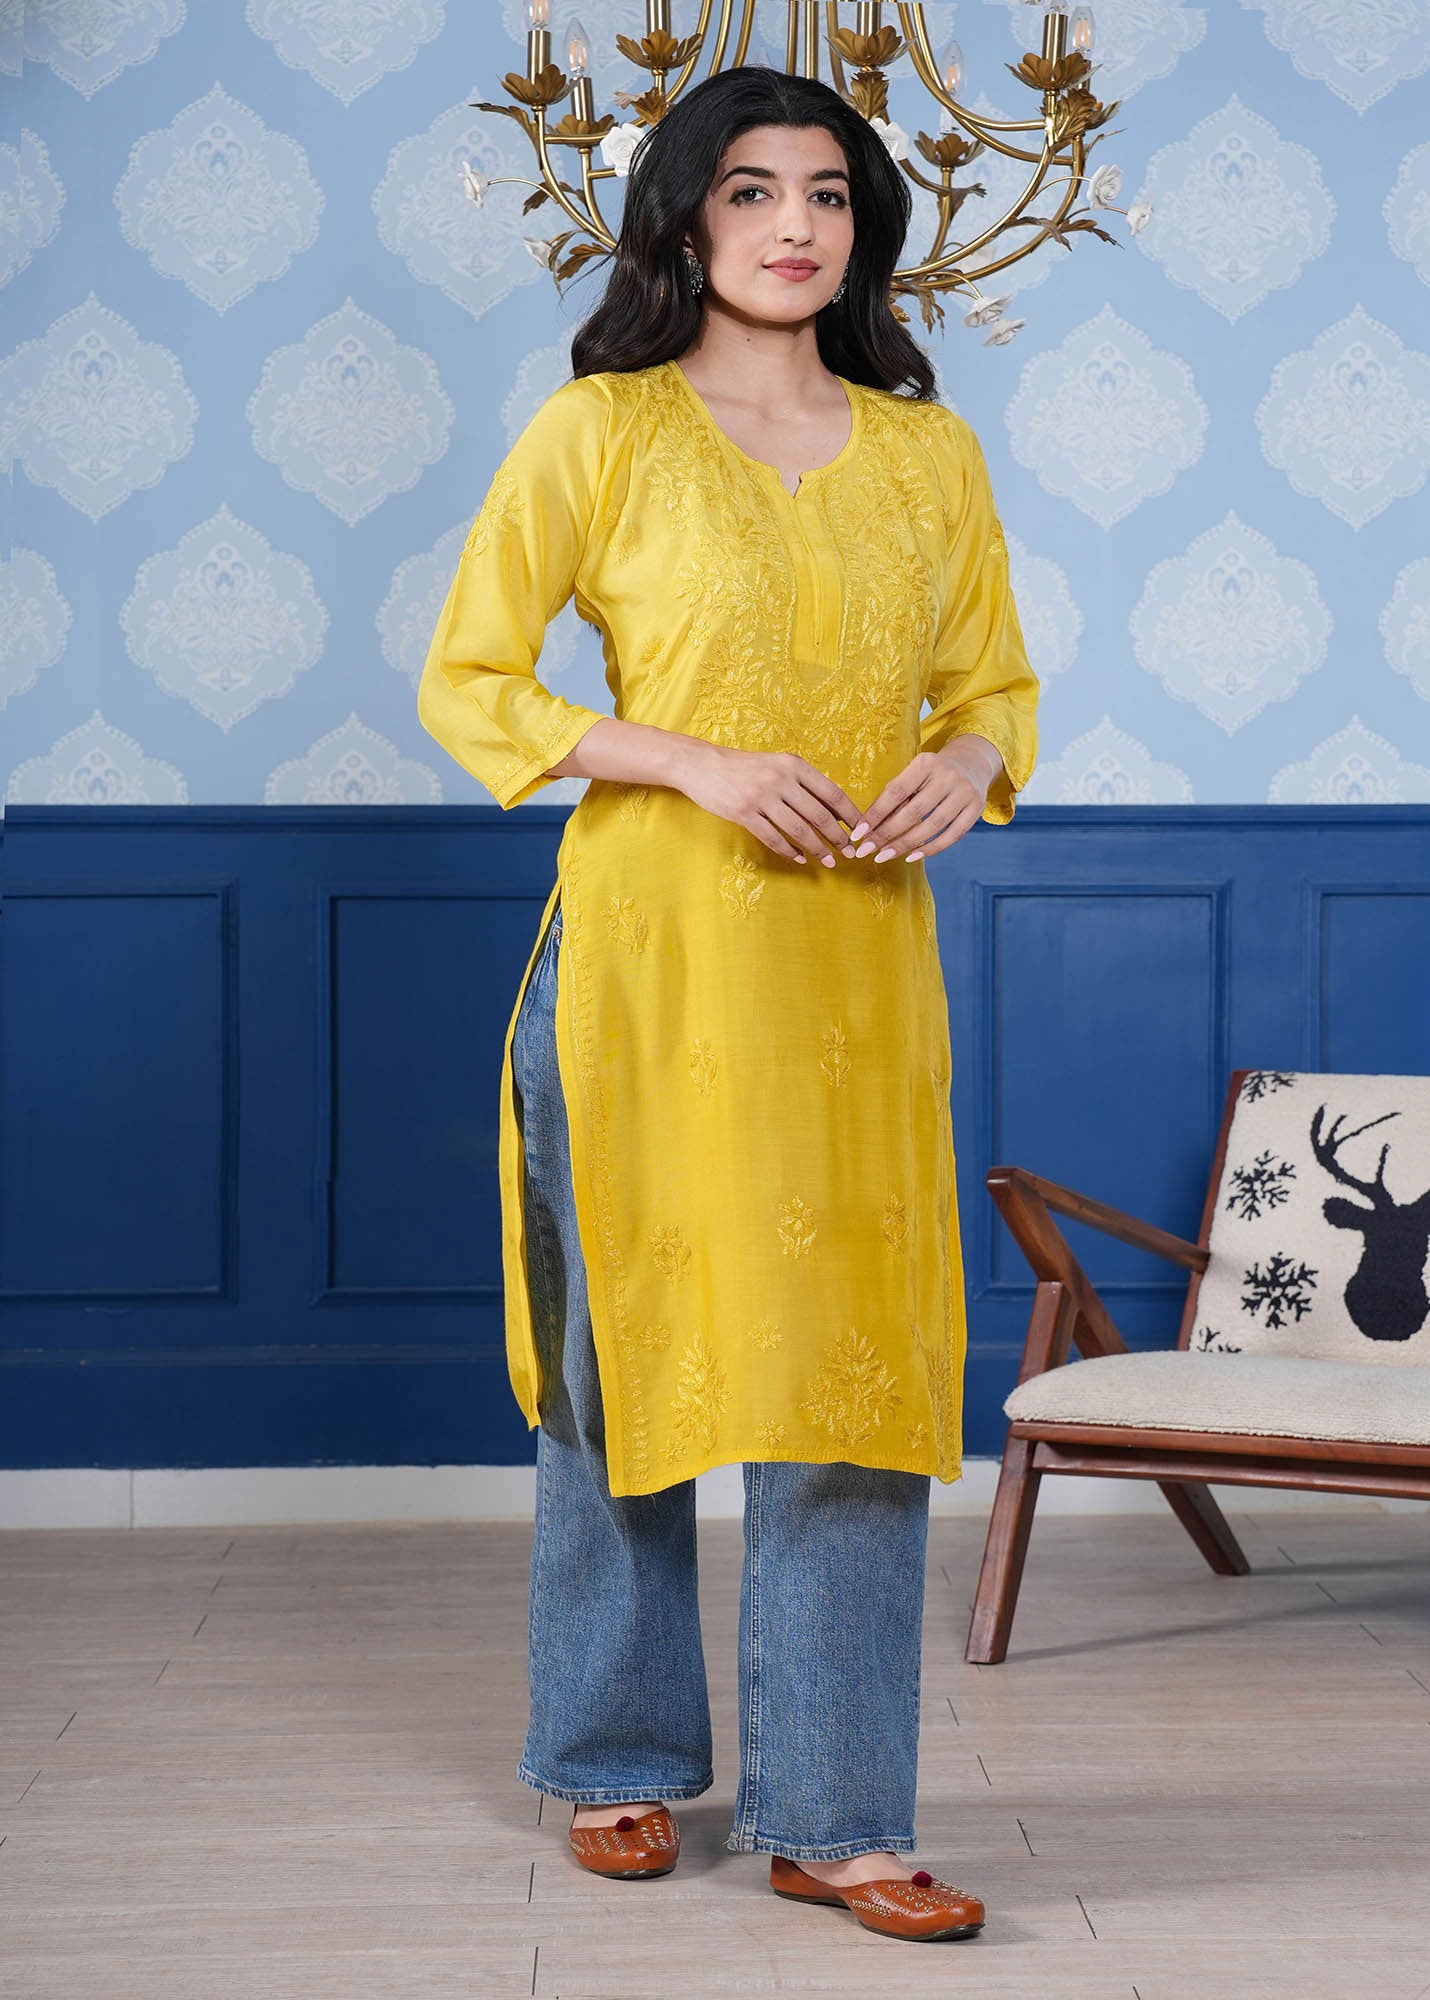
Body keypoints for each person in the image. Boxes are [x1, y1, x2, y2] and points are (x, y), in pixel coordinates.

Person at [417, 65, 1039, 1944]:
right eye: (754, 188)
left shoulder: (928, 454)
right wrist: (686, 758)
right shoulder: (600, 430)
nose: (797, 224)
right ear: (686, 217)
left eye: (831, 194)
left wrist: (967, 767)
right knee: (625, 1361)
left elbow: (994, 691)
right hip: (648, 960)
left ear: (865, 230)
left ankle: (838, 1816)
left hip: (855, 968)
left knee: (854, 1384)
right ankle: (612, 1757)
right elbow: (471, 681)